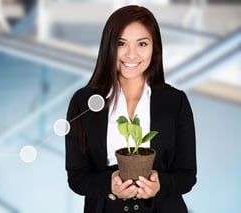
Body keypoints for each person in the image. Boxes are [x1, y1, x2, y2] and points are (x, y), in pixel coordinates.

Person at [65, 5, 196, 213]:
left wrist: (160, 184)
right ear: (108, 46)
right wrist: (109, 184)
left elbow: (187, 175)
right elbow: (77, 177)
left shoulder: (175, 101)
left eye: (142, 44)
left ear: (155, 48)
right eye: (121, 43)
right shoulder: (84, 102)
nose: (131, 55)